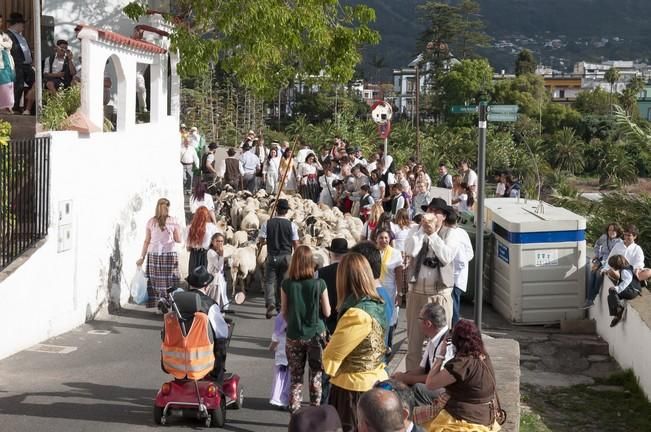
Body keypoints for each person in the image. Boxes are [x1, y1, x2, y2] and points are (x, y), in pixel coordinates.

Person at [323, 253, 388, 432]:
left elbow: (331, 357)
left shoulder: (356, 314)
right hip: (377, 380)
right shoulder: (378, 304)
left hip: (353, 389)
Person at [404, 199, 462, 370]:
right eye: (430, 209)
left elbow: (446, 256)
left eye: (436, 211)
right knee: (413, 344)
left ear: (443, 216)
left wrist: (433, 235)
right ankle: (412, 381)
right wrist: (423, 231)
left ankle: (437, 383)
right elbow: (410, 251)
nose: (432, 214)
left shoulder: (452, 233)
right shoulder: (416, 230)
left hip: (439, 294)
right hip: (416, 293)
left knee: (442, 345)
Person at [418, 319, 503, 432]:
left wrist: (440, 355)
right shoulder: (483, 356)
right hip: (485, 415)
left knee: (417, 391)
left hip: (466, 419)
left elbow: (430, 383)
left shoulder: (461, 364)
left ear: (455, 341)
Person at [280, 245, 331, 413]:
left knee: (296, 377)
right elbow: (327, 311)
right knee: (316, 375)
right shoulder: (320, 284)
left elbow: (284, 312)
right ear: (311, 263)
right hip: (316, 334)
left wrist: (294, 321)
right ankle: (315, 415)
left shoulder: (286, 284)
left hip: (294, 334)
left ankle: (295, 416)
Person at [392, 303, 452, 407]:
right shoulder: (433, 339)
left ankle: (416, 421)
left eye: (419, 318)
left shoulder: (447, 344)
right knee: (398, 386)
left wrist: (406, 379)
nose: (418, 322)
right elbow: (422, 369)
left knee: (418, 389)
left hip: (449, 391)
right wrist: (402, 376)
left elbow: (437, 379)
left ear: (428, 324)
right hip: (435, 383)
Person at [182, 265, 230, 384]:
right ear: (207, 287)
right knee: (221, 341)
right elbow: (221, 332)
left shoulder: (177, 302)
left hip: (178, 356)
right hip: (201, 356)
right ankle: (216, 379)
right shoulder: (210, 305)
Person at [258, 198, 300, 318]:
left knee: (269, 281)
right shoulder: (291, 225)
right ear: (286, 211)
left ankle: (270, 303)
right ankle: (281, 305)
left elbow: (261, 239)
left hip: (272, 256)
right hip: (286, 257)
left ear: (276, 210)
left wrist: (266, 241)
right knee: (283, 282)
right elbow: (295, 243)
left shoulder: (267, 223)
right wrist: (298, 256)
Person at [136, 198, 181, 309]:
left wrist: (142, 257)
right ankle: (169, 303)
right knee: (170, 280)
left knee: (155, 280)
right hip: (169, 254)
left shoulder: (151, 222)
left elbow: (146, 241)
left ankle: (159, 304)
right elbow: (178, 239)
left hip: (154, 255)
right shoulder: (173, 221)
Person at [376, 229, 405, 356]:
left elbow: (399, 276)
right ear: (376, 239)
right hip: (375, 289)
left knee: (389, 318)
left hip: (389, 290)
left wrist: (400, 294)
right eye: (381, 238)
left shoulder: (395, 254)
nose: (384, 240)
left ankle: (387, 344)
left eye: (386, 238)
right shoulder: (374, 253)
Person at [583, 223, 623, 308]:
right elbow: (597, 245)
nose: (611, 232)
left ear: (618, 231)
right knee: (592, 272)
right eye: (609, 230)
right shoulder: (604, 237)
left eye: (613, 230)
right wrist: (597, 255)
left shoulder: (619, 243)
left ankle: (592, 297)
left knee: (598, 274)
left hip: (610, 263)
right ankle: (589, 299)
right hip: (601, 259)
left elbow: (614, 258)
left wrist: (600, 264)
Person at [6, 13, 32, 114]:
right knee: (18, 85)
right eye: (22, 24)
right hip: (16, 65)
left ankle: (28, 108)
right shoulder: (7, 35)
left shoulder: (21, 37)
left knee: (35, 83)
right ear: (16, 24)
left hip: (27, 65)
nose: (23, 27)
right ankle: (14, 108)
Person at [606, 255, 642, 327]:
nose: (612, 268)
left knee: (612, 291)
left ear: (616, 264)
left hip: (632, 291)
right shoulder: (626, 268)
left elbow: (626, 281)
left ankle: (619, 310)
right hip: (632, 290)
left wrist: (618, 289)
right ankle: (617, 313)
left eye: (612, 266)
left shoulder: (625, 270)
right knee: (611, 296)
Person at [185, 206, 219, 271]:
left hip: (194, 256)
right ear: (207, 216)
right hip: (207, 255)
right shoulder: (212, 227)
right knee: (207, 278)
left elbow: (188, 248)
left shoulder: (190, 228)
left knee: (194, 277)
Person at [269, 314, 290, 409]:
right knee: (289, 381)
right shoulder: (293, 335)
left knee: (279, 380)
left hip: (280, 361)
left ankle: (277, 399)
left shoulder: (278, 334)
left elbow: (272, 345)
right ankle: (287, 400)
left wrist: (271, 348)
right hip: (291, 360)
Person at [206, 233, 229, 312]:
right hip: (214, 282)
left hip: (220, 281)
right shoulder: (211, 252)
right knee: (214, 304)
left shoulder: (217, 252)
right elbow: (219, 267)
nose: (220, 243)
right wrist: (222, 255)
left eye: (222, 241)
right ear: (213, 242)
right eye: (218, 241)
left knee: (220, 305)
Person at [0, 16, 15, 113]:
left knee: (7, 84)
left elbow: (10, 44)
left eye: (0, 21)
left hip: (5, 62)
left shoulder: (3, 34)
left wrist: (2, 43)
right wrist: (3, 43)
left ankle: (6, 106)